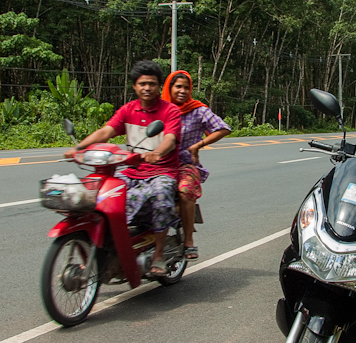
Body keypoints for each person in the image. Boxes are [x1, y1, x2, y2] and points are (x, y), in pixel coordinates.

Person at [64, 60, 181, 277]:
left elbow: (171, 139)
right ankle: (112, 246)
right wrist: (78, 147)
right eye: (142, 83)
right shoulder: (128, 109)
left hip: (162, 171)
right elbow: (105, 132)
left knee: (162, 194)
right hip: (131, 171)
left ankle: (158, 255)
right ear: (135, 86)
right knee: (101, 196)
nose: (147, 88)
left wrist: (157, 153)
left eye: (152, 84)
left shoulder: (170, 111)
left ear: (159, 86)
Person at [161, 69, 231, 260]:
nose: (182, 91)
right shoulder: (159, 109)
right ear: (169, 87)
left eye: (186, 87)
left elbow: (224, 128)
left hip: (185, 165)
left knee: (185, 191)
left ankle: (189, 241)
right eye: (178, 87)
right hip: (160, 164)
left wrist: (199, 144)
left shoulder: (197, 110)